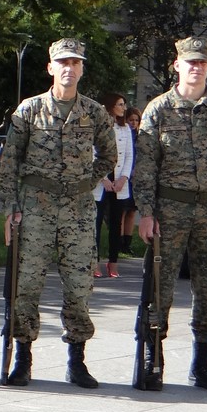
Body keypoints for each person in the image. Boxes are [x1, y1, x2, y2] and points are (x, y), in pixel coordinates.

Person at [133, 36, 207, 392]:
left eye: (202, 62)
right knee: (160, 285)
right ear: (177, 65)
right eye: (190, 62)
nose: (196, 67)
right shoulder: (159, 108)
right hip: (169, 209)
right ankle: (153, 358)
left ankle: (202, 365)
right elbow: (145, 166)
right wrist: (147, 213)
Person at [0, 39, 117, 388]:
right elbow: (9, 164)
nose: (69, 68)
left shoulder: (94, 112)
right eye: (63, 62)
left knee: (79, 286)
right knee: (26, 285)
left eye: (75, 62)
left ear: (82, 69)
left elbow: (109, 156)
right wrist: (10, 207)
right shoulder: (30, 110)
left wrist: (87, 181)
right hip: (36, 208)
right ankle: (22, 358)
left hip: (78, 211)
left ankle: (76, 361)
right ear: (51, 68)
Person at [92, 92, 134, 278]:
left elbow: (129, 155)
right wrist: (103, 178)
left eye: (124, 104)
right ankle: (94, 262)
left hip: (119, 181)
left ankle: (113, 262)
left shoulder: (125, 129)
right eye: (120, 104)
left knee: (117, 223)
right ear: (110, 106)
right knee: (96, 222)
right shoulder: (97, 125)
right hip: (101, 180)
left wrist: (124, 178)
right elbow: (92, 153)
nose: (123, 108)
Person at [120, 106, 141, 254]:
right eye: (131, 120)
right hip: (124, 177)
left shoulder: (141, 137)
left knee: (132, 212)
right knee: (122, 211)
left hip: (136, 179)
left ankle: (128, 244)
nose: (133, 123)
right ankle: (119, 242)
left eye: (136, 120)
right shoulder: (124, 135)